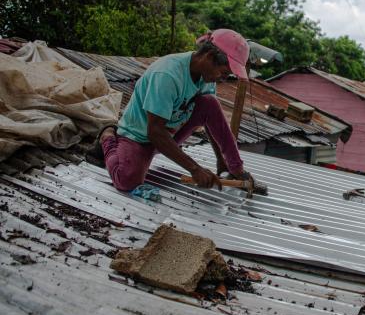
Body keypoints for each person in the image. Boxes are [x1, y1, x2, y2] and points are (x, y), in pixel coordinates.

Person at [86, 28, 253, 192]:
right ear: (209, 57)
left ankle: (237, 168)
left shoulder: (206, 77)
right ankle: (107, 137)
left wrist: (222, 162)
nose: (223, 79)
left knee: (210, 103)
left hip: (169, 134)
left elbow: (213, 121)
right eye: (223, 73)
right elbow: (155, 132)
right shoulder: (167, 75)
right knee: (128, 181)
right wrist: (195, 169)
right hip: (140, 136)